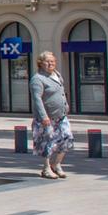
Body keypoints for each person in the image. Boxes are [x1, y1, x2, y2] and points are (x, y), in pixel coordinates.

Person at [30, 51, 73, 180]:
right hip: (46, 118)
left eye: (52, 61)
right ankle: (46, 168)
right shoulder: (37, 79)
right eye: (47, 61)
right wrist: (44, 117)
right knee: (47, 142)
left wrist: (66, 105)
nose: (50, 63)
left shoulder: (57, 75)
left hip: (61, 116)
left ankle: (56, 164)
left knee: (67, 138)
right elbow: (37, 99)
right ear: (40, 63)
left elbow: (61, 92)